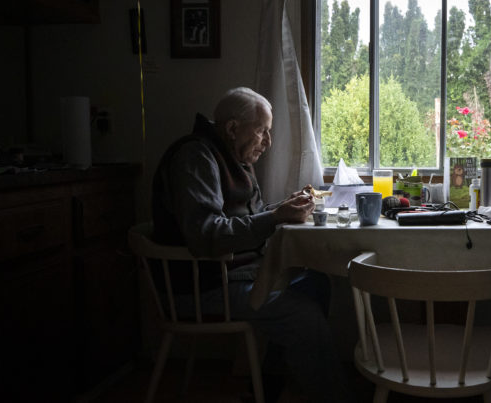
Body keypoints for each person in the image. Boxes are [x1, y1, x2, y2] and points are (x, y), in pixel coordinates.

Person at [151, 87, 352, 403]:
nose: (268, 142)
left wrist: (282, 207)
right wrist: (274, 217)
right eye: (262, 131)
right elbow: (207, 235)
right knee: (304, 317)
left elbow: (253, 217)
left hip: (235, 275)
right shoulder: (197, 156)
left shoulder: (234, 157)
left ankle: (271, 387)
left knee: (315, 283)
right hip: (203, 287)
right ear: (232, 129)